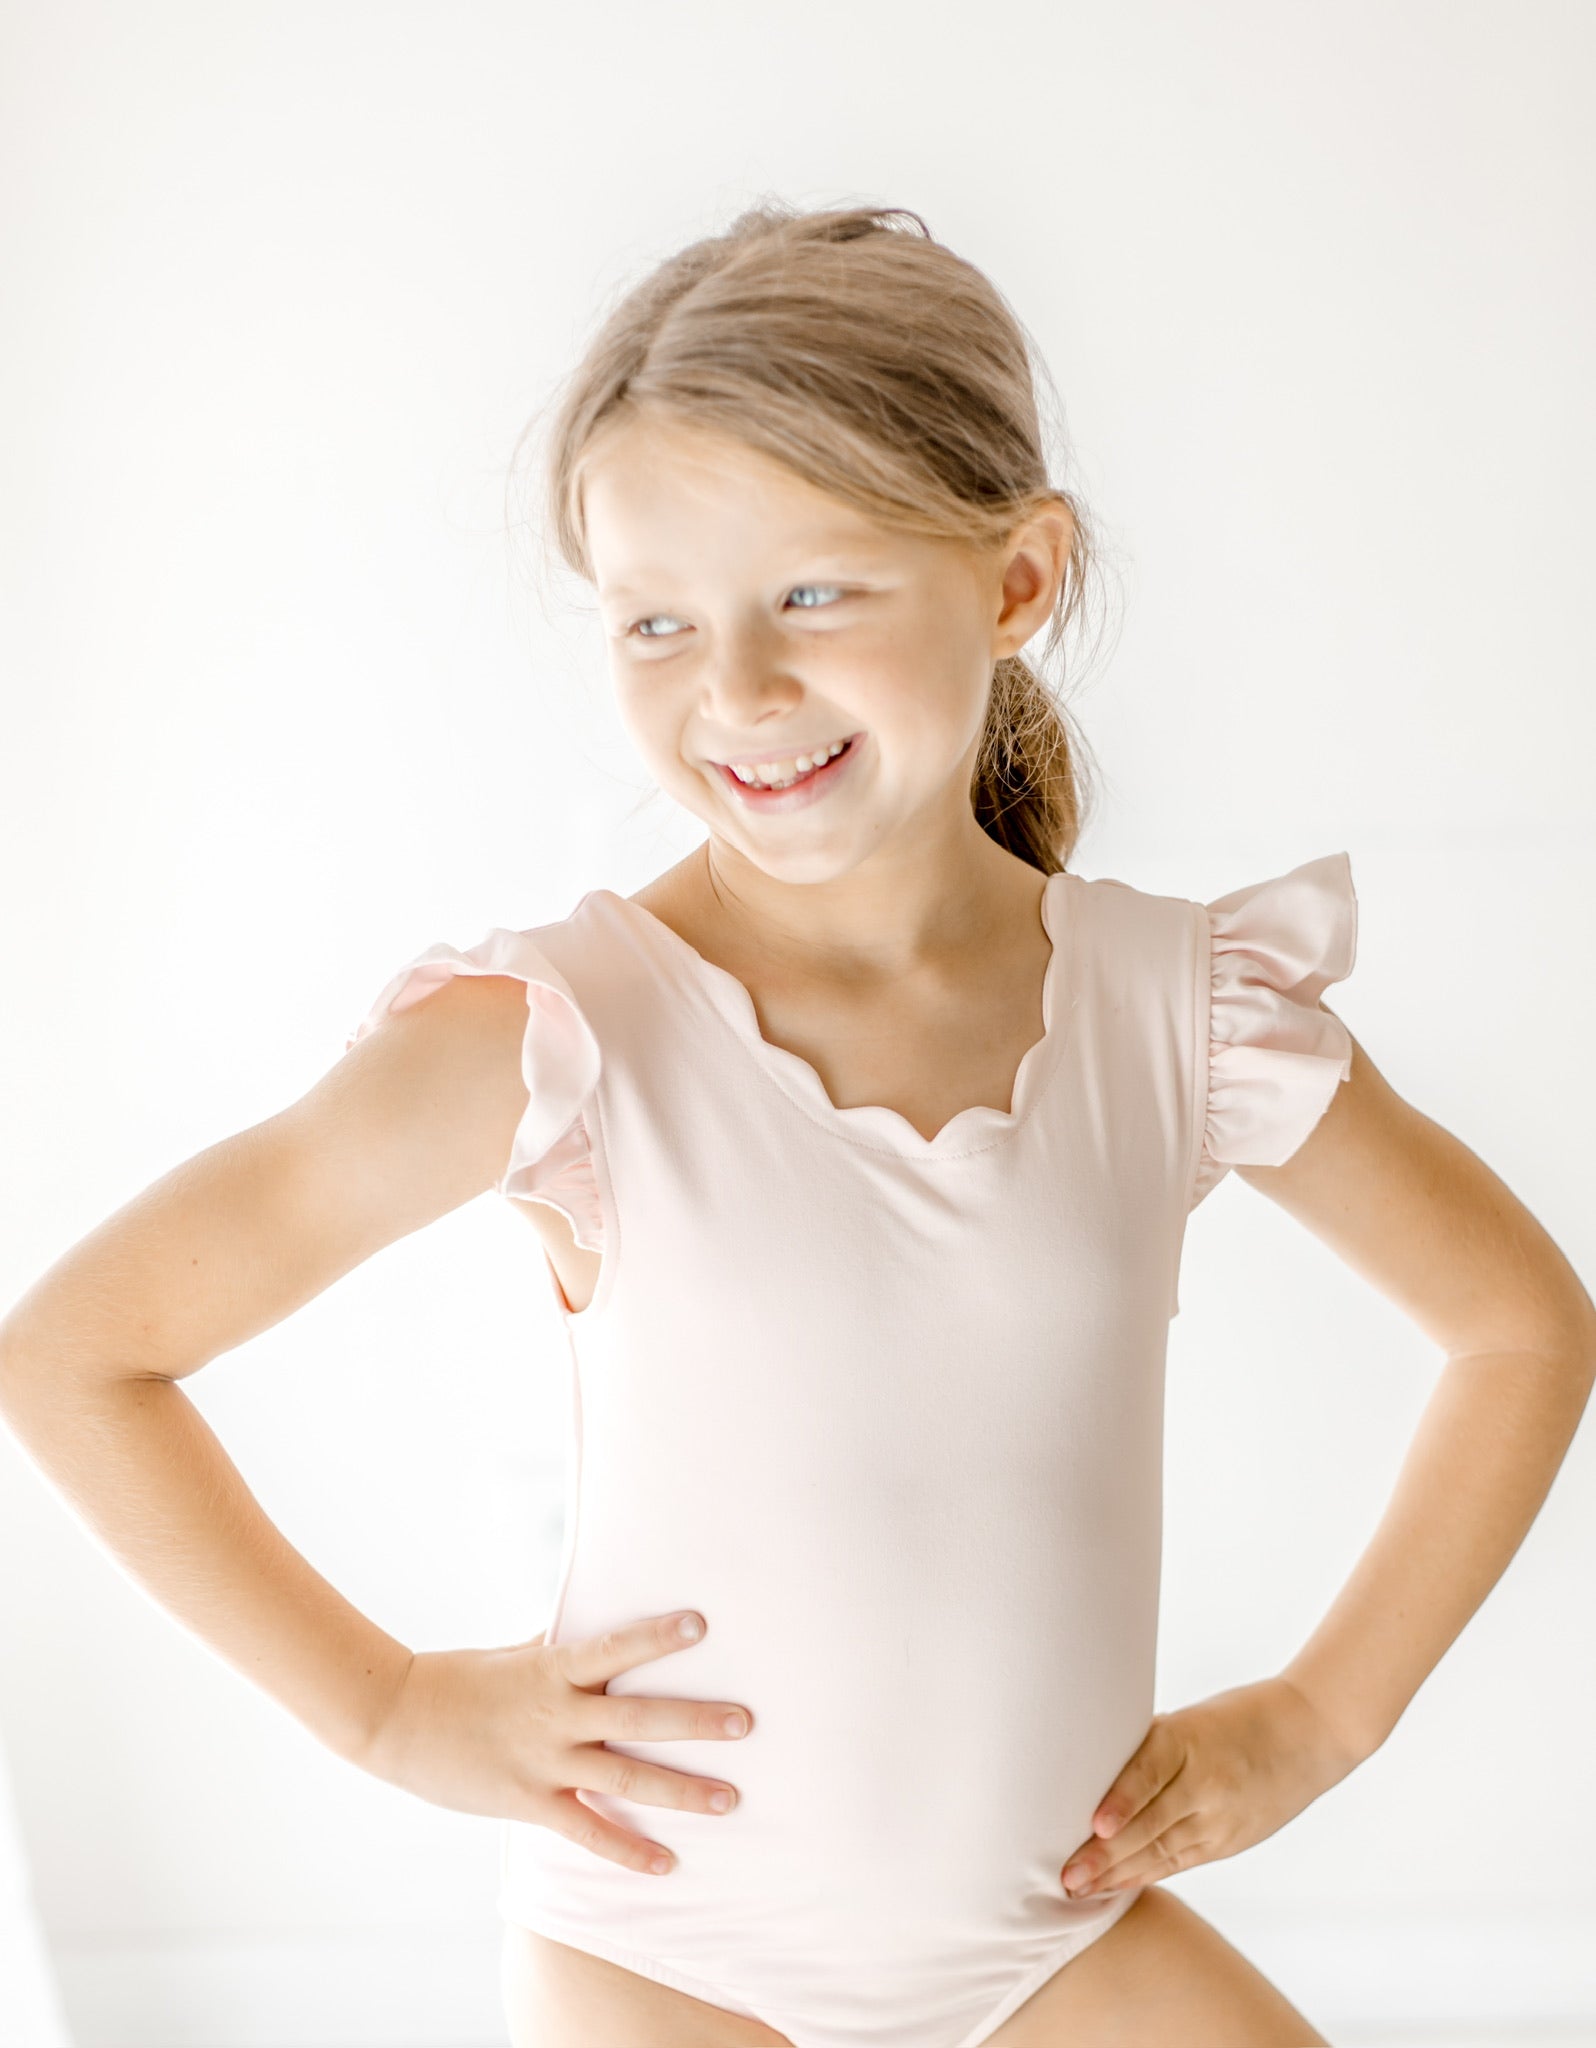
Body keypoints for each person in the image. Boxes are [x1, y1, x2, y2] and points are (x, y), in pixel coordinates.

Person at [2, 201, 1592, 2048]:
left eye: (814, 593)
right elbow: (80, 1355)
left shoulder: (1184, 1012)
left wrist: (1321, 1719)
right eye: (656, 621)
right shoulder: (567, 1035)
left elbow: (1520, 1326)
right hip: (667, 1960)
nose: (736, 690)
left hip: (1057, 1937)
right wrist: (387, 1707)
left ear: (1017, 580)